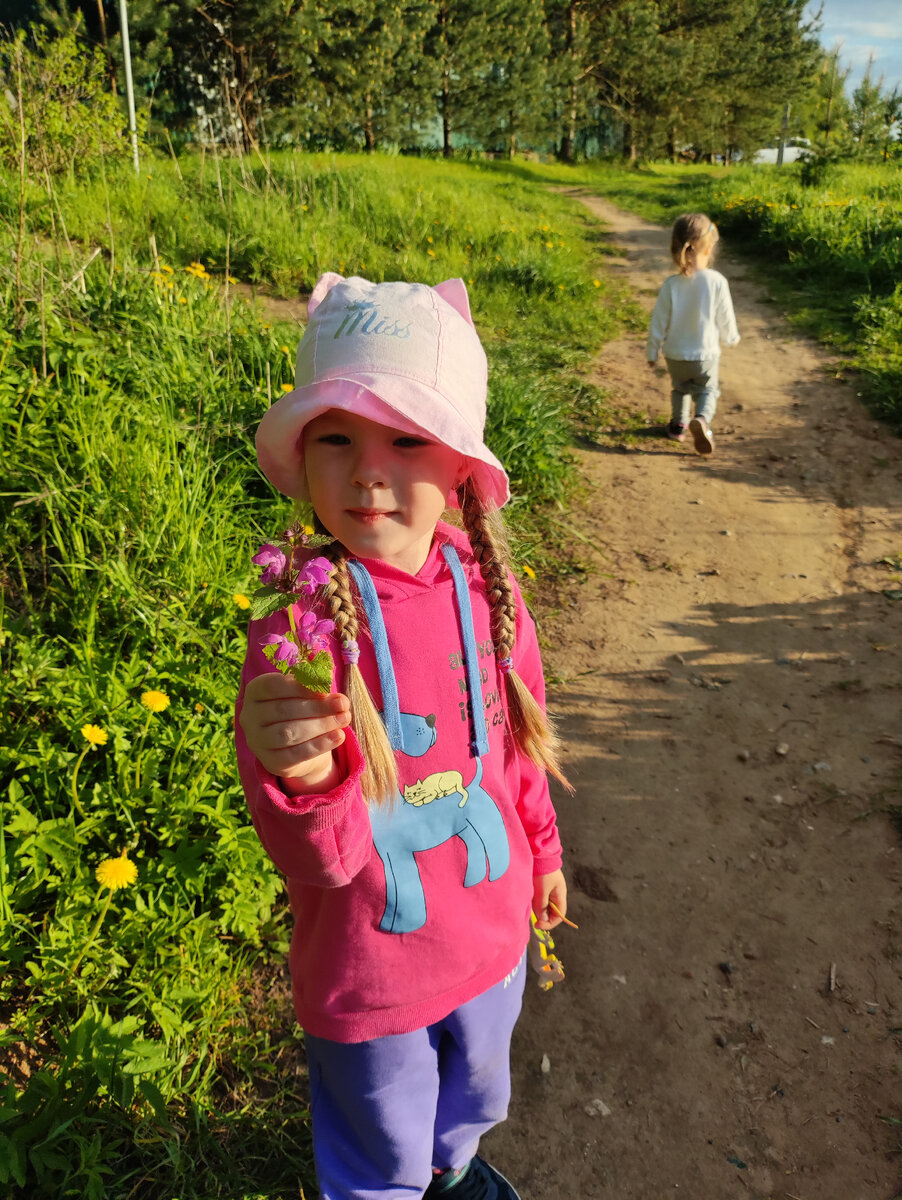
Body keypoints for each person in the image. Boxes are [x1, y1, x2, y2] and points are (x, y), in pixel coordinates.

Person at [235, 272, 570, 1200]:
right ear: (303, 460)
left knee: (476, 1094)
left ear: (460, 465)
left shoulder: (490, 594)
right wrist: (300, 777)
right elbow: (322, 862)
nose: (367, 470)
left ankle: (454, 1171)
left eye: (408, 439)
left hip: (493, 939)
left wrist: (540, 852)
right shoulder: (300, 630)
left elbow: (516, 747)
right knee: (378, 1140)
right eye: (335, 439)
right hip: (370, 967)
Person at [646, 212, 740, 456]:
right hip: (704, 356)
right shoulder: (716, 281)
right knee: (708, 390)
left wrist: (652, 350)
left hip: (675, 355)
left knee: (680, 388)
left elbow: (659, 321)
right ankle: (702, 419)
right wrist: (731, 337)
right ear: (709, 249)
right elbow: (725, 316)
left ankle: (678, 426)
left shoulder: (671, 285)